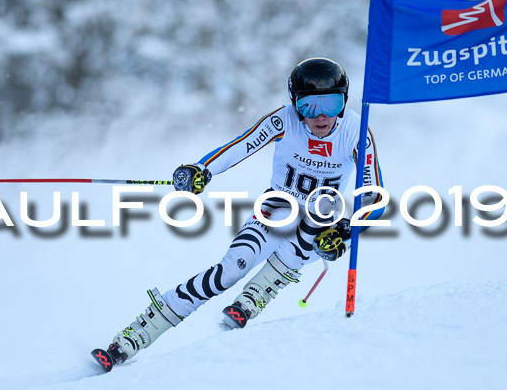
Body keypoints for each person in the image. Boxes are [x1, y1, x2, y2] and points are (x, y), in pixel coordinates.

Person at [102, 57, 384, 365]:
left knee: (315, 222)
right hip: (278, 208)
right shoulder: (285, 121)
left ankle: (256, 294)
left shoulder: (355, 132)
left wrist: (347, 229)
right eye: (308, 106)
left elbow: (374, 197)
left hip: (319, 224)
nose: (320, 117)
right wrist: (201, 169)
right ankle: (141, 331)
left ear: (344, 101)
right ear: (294, 103)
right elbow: (242, 145)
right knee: (229, 271)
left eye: (331, 103)